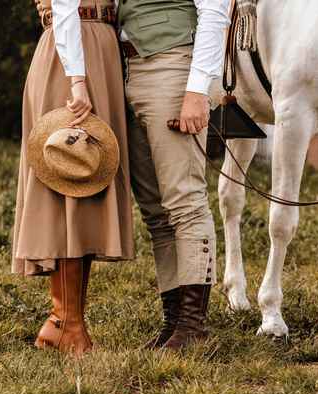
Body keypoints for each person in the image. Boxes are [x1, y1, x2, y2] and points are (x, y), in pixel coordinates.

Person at [11, 0, 133, 356]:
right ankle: (65, 322)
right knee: (66, 177)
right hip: (73, 55)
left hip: (98, 48)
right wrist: (77, 79)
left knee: (88, 179)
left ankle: (65, 321)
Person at [119, 0, 231, 350]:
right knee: (155, 210)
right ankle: (173, 322)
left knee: (185, 201)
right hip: (130, 68)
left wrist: (198, 89)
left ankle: (193, 326)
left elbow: (214, 9)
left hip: (173, 68)